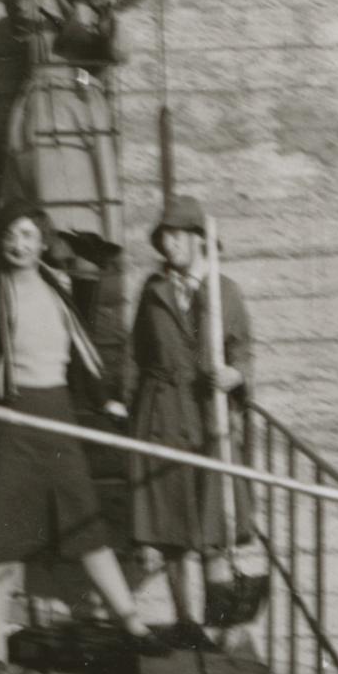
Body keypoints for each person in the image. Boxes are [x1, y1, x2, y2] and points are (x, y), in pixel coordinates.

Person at [0, 206, 165, 674]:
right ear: (3, 243)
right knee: (3, 536)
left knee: (85, 522)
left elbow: (81, 353)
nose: (18, 243)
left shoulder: (58, 290)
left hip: (57, 415)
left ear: (42, 243)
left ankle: (132, 623)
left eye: (27, 235)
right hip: (11, 417)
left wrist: (108, 400)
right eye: (11, 235)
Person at [125, 195, 254, 638]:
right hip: (161, 414)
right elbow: (138, 355)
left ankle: (225, 630)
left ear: (201, 239)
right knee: (173, 529)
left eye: (178, 235)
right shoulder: (153, 290)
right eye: (165, 236)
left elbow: (243, 351)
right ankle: (186, 624)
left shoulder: (225, 292)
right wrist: (131, 407)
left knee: (213, 528)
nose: (169, 244)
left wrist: (234, 375)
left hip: (207, 418)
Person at [2, 0, 122, 290]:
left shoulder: (93, 4)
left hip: (81, 97)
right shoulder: (34, 0)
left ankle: (85, 280)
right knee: (50, 210)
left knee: (87, 217)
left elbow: (113, 57)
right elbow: (20, 14)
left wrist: (106, 19)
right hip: (43, 103)